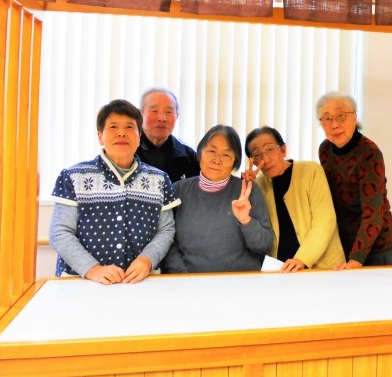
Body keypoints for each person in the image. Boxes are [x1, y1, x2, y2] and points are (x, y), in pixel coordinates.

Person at [49, 99, 180, 285]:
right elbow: (60, 232)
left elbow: (166, 229)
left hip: (140, 282)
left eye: (129, 127)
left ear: (139, 135)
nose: (121, 133)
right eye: (113, 127)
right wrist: (92, 269)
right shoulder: (73, 176)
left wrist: (147, 260)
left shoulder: (159, 179)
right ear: (100, 136)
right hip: (82, 282)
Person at [160, 124, 273, 273]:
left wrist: (246, 221)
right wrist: (183, 276)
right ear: (200, 153)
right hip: (190, 281)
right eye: (211, 151)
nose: (217, 160)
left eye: (226, 155)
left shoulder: (248, 190)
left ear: (235, 162)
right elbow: (167, 241)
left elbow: (264, 245)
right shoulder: (178, 190)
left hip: (241, 280)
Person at [243, 126, 345, 272]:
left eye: (269, 149)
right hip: (281, 270)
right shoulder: (258, 185)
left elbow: (325, 221)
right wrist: (248, 186)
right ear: (253, 162)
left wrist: (302, 258)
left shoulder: (310, 170)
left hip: (324, 267)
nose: (265, 159)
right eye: (257, 154)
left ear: (283, 149)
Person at [316, 91, 392, 269]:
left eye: (341, 116)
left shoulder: (369, 153)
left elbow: (373, 212)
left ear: (354, 117)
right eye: (327, 119)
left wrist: (356, 258)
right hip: (343, 242)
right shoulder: (325, 150)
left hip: (375, 245)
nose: (335, 125)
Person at [136, 87, 200, 183]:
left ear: (177, 116)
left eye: (169, 112)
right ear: (140, 114)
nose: (162, 118)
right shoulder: (128, 151)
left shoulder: (188, 156)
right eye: (154, 111)